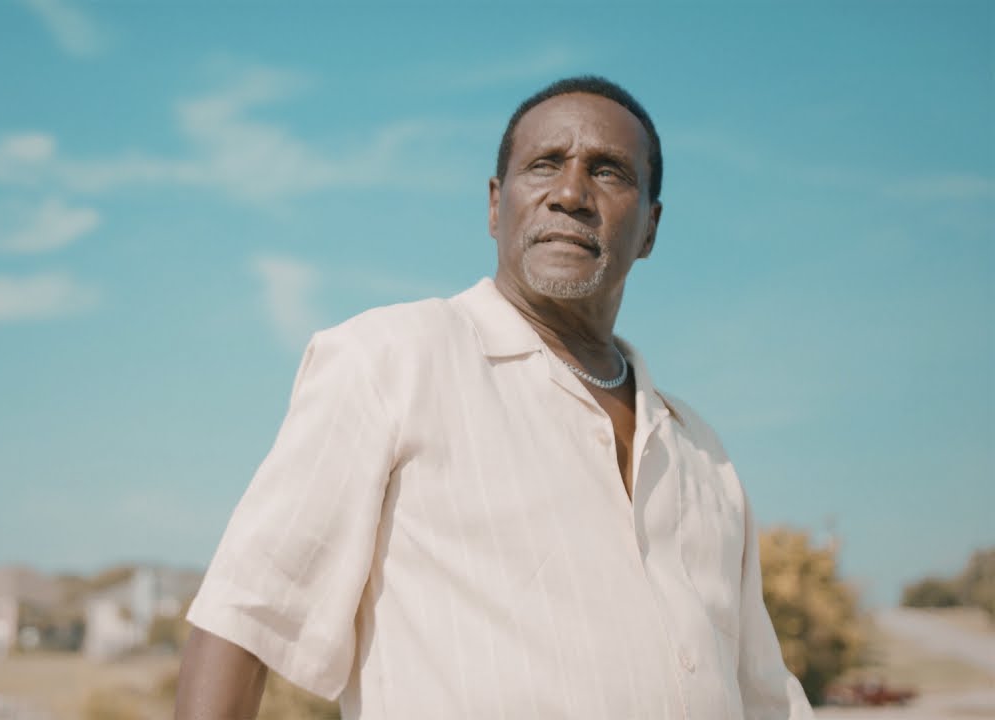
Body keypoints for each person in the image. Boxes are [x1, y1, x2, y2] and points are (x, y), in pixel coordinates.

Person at [174, 75, 814, 719]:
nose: (571, 193)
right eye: (544, 165)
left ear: (649, 227)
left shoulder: (701, 452)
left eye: (609, 172)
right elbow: (244, 619)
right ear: (494, 205)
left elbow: (766, 699)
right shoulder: (390, 361)